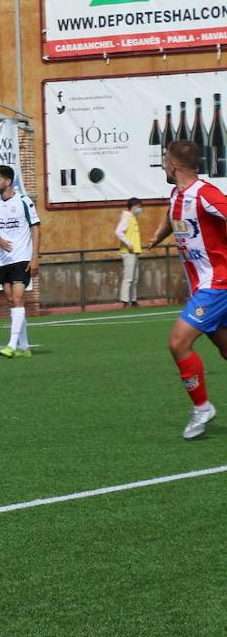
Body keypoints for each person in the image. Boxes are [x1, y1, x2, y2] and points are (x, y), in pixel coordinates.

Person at [145, 140, 227, 440]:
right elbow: (172, 217)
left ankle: (202, 407)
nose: (164, 165)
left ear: (173, 165)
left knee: (178, 343)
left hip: (217, 285)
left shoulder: (206, 194)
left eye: (166, 160)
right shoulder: (177, 194)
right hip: (204, 287)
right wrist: (158, 235)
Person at [0, 165, 41, 358]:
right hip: (3, 260)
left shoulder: (24, 201)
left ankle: (11, 345)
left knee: (18, 299)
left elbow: (35, 227)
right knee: (12, 301)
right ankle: (25, 347)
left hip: (21, 257)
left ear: (8, 181)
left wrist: (35, 256)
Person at [116, 197, 143, 307]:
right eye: (139, 207)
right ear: (134, 206)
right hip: (128, 252)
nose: (140, 209)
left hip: (134, 251)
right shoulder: (126, 218)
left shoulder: (132, 218)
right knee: (128, 277)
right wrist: (128, 244)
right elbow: (118, 232)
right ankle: (125, 301)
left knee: (134, 277)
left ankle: (133, 299)